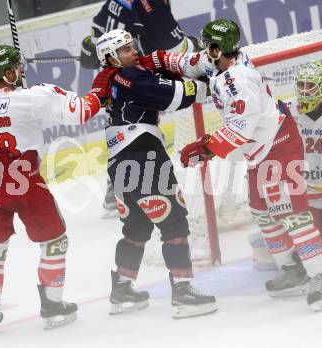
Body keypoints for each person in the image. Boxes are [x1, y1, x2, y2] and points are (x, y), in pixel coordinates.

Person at [141, 19, 322, 311]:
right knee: (262, 210)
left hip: (279, 145)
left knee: (292, 214)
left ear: (219, 48)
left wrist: (204, 148)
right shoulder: (219, 61)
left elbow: (239, 131)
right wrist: (154, 60)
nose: (203, 48)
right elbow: (189, 62)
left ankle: (321, 277)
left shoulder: (238, 81)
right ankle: (293, 270)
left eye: (207, 43)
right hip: (260, 150)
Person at [0, 45, 107, 331]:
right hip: (24, 180)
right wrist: (104, 83)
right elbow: (82, 112)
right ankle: (52, 304)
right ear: (8, 72)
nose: (23, 70)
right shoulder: (34, 96)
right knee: (54, 240)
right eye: (18, 66)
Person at [94, 29, 217, 319]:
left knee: (137, 227)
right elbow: (174, 96)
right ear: (112, 58)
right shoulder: (132, 78)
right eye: (124, 50)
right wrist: (209, 85)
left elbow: (169, 68)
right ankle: (184, 292)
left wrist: (190, 64)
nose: (133, 51)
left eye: (132, 45)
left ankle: (122, 291)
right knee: (174, 221)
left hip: (119, 162)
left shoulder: (116, 77)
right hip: (144, 157)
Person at [80, 0, 198, 218]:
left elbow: (96, 35)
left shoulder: (114, 2)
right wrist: (195, 47)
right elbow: (179, 49)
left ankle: (119, 189)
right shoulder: (150, 4)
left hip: (117, 75)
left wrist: (88, 48)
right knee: (141, 126)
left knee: (124, 123)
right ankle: (137, 189)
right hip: (137, 77)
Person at [248, 62, 322, 273]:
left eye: (311, 85)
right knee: (292, 260)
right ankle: (265, 242)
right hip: (302, 201)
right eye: (301, 85)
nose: (304, 91)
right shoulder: (285, 113)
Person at [80, 0, 197, 69]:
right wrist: (196, 47)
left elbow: (98, 28)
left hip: (120, 86)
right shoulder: (151, 4)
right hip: (146, 84)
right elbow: (179, 54)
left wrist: (93, 48)